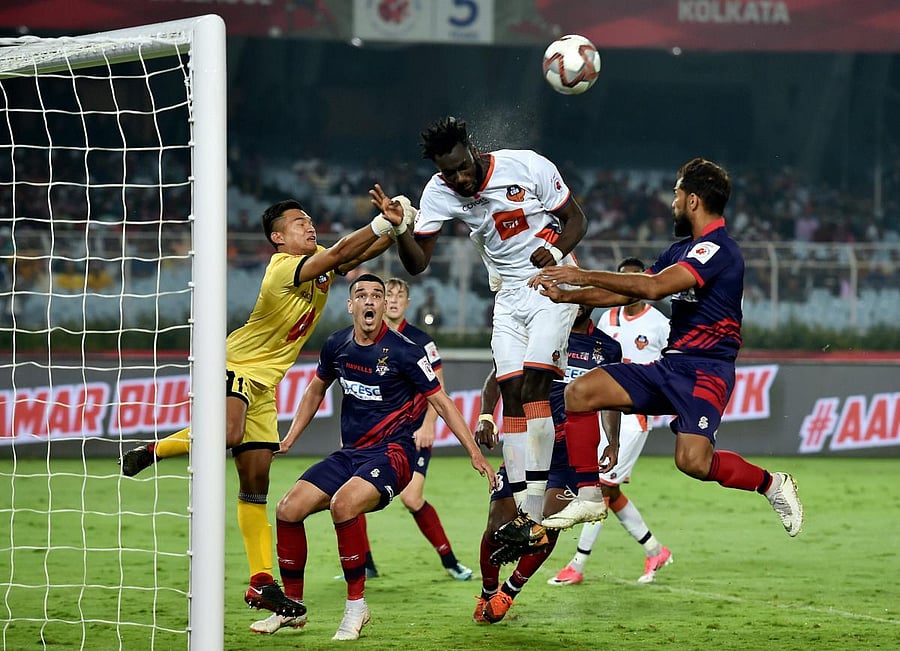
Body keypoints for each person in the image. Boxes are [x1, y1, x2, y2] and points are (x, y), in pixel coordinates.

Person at [120, 191, 410, 619]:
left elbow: (360, 251)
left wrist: (400, 227)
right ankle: (153, 450)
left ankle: (261, 582)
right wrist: (381, 222)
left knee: (254, 485)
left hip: (267, 384)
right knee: (229, 435)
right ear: (277, 238)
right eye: (298, 222)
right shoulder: (283, 269)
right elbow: (347, 249)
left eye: (310, 219)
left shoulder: (319, 266)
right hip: (235, 364)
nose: (309, 225)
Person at [529, 157, 804, 538]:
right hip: (670, 366)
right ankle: (590, 495)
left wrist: (579, 273)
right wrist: (567, 295)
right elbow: (623, 291)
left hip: (707, 371)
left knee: (693, 462)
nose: (672, 202)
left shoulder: (720, 250)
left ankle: (772, 484)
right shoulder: (681, 251)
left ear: (693, 200)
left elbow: (653, 288)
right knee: (582, 391)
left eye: (676, 194)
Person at [251, 274, 497, 639]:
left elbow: (441, 401)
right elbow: (315, 391)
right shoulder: (336, 345)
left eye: (376, 296)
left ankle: (356, 607)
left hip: (394, 455)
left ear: (384, 306)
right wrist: (289, 439)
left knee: (343, 505)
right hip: (351, 454)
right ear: (350, 305)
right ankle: (292, 608)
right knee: (288, 509)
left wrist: (474, 452)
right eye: (361, 295)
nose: (369, 301)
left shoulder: (405, 351)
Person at [392, 116, 588, 557]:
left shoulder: (527, 166)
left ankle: (534, 514)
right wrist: (402, 228)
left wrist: (555, 249)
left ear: (472, 148)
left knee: (537, 380)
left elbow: (576, 219)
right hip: (508, 295)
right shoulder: (438, 191)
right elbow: (418, 263)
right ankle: (523, 508)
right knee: (512, 389)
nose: (459, 179)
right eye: (449, 172)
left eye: (463, 166)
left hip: (552, 280)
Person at [472, 305, 621, 623]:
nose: (577, 304)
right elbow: (499, 375)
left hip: (569, 455)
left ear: (591, 300)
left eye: (581, 297)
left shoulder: (607, 348)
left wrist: (614, 440)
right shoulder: (540, 332)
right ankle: (486, 591)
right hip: (527, 446)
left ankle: (507, 595)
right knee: (496, 528)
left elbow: (609, 399)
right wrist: (486, 414)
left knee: (546, 526)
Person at [548, 257, 673, 586]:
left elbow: (671, 369)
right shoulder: (607, 319)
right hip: (604, 411)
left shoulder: (659, 324)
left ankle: (576, 565)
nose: (628, 287)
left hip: (633, 417)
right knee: (609, 489)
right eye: (622, 280)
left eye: (634, 281)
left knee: (600, 488)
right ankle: (655, 550)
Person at [358, 277, 473, 581]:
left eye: (399, 296)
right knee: (352, 494)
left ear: (408, 303)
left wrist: (428, 425)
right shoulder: (367, 338)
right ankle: (365, 564)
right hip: (374, 433)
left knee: (411, 498)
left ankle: (450, 560)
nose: (393, 300)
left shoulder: (422, 342)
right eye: (389, 295)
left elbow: (439, 390)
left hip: (412, 432)